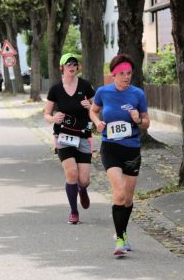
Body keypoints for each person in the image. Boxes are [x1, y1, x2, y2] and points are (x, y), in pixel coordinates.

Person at [89, 54, 150, 256]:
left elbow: (146, 123)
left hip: (131, 149)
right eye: (122, 73)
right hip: (110, 148)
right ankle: (120, 240)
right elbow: (93, 110)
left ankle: (122, 231)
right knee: (120, 193)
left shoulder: (138, 94)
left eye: (129, 73)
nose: (126, 77)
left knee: (128, 199)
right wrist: (97, 123)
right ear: (113, 74)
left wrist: (138, 120)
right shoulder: (103, 92)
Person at [44, 53, 95, 225]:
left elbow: (97, 110)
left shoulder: (85, 86)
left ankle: (82, 189)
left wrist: (90, 107)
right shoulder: (55, 89)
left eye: (74, 64)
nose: (72, 67)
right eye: (68, 64)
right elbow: (46, 114)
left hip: (83, 136)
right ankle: (74, 211)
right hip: (64, 136)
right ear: (62, 68)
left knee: (84, 179)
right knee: (72, 173)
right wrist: (53, 118)